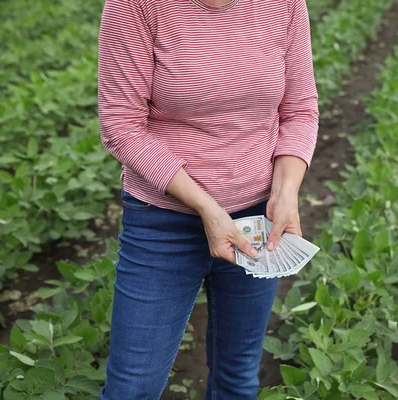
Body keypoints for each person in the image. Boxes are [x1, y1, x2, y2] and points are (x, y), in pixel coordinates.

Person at [96, 0, 318, 398]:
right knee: (133, 385)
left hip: (256, 218)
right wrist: (206, 206)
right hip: (162, 221)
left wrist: (286, 193)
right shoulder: (136, 5)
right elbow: (121, 124)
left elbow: (299, 110)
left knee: (237, 377)